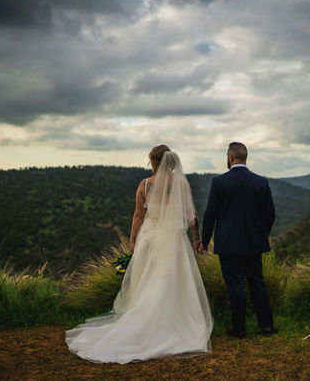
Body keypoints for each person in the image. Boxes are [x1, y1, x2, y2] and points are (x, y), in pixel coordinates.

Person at [65, 145, 213, 364]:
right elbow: (192, 216)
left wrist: (133, 239)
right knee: (172, 280)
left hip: (150, 238)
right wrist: (197, 238)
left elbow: (138, 215)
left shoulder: (145, 185)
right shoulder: (183, 184)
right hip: (175, 239)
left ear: (153, 162)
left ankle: (144, 321)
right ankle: (174, 323)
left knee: (148, 278)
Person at [200, 142, 277, 338]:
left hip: (228, 244)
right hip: (253, 243)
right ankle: (266, 326)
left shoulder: (219, 182)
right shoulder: (261, 182)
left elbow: (211, 215)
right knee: (257, 283)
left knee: (235, 285)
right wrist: (261, 234)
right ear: (245, 158)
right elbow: (270, 214)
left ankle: (239, 328)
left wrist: (205, 240)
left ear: (230, 158)